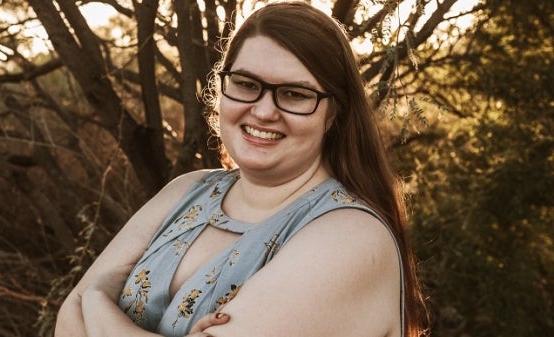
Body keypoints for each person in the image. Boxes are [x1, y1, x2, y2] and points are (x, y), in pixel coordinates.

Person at [54, 1, 426, 337]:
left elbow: (81, 303)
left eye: (295, 94)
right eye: (247, 84)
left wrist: (97, 302)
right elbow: (65, 323)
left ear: (333, 113)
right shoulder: (186, 191)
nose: (264, 111)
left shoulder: (350, 237)